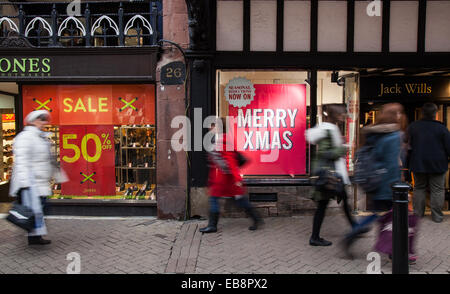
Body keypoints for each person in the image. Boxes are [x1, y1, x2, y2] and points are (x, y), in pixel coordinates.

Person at [344, 103, 404, 256]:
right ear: (394, 115)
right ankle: (394, 251)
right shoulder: (394, 135)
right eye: (398, 113)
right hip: (388, 184)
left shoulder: (375, 133)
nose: (400, 116)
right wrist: (397, 186)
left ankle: (354, 233)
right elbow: (391, 164)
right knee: (395, 218)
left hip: (374, 180)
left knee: (378, 214)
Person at [9, 110, 68, 245]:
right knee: (37, 209)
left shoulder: (40, 137)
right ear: (34, 121)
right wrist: (24, 183)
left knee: (40, 208)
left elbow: (49, 159)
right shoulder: (25, 137)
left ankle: (35, 235)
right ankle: (33, 235)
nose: (45, 123)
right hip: (31, 182)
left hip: (40, 182)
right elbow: (22, 161)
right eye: (42, 120)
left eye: (45, 120)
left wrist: (58, 175)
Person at [199, 118, 263, 233]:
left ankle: (213, 225)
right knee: (237, 200)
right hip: (222, 178)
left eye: (212, 125)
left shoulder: (222, 140)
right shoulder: (217, 140)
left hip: (227, 179)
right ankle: (256, 218)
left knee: (219, 199)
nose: (210, 128)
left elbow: (230, 160)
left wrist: (237, 179)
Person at [305, 104, 357, 246]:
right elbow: (325, 153)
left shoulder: (328, 129)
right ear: (336, 115)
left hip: (328, 174)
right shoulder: (329, 130)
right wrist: (343, 148)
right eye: (341, 114)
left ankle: (355, 227)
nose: (343, 117)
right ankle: (315, 237)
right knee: (324, 205)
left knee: (341, 200)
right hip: (329, 175)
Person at [408, 103, 450, 223]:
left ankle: (418, 215)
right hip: (438, 164)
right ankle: (437, 216)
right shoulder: (442, 128)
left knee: (419, 188)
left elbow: (407, 145)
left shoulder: (413, 127)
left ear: (422, 113)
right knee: (437, 189)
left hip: (418, 163)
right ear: (435, 114)